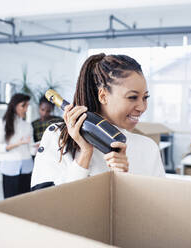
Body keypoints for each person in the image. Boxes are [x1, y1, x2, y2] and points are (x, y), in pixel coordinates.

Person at [31, 53, 165, 190]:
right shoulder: (58, 137)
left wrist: (124, 175)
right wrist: (85, 154)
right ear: (103, 96)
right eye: (132, 97)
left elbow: (156, 204)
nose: (142, 107)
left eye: (145, 97)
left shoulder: (148, 148)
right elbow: (43, 202)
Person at [0, 93, 36, 198]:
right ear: (14, 106)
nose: (26, 109)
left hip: (27, 169)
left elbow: (31, 150)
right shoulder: (0, 124)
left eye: (27, 106)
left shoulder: (27, 126)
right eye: (23, 105)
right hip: (10, 169)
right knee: (10, 202)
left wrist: (38, 148)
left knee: (25, 202)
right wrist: (16, 144)